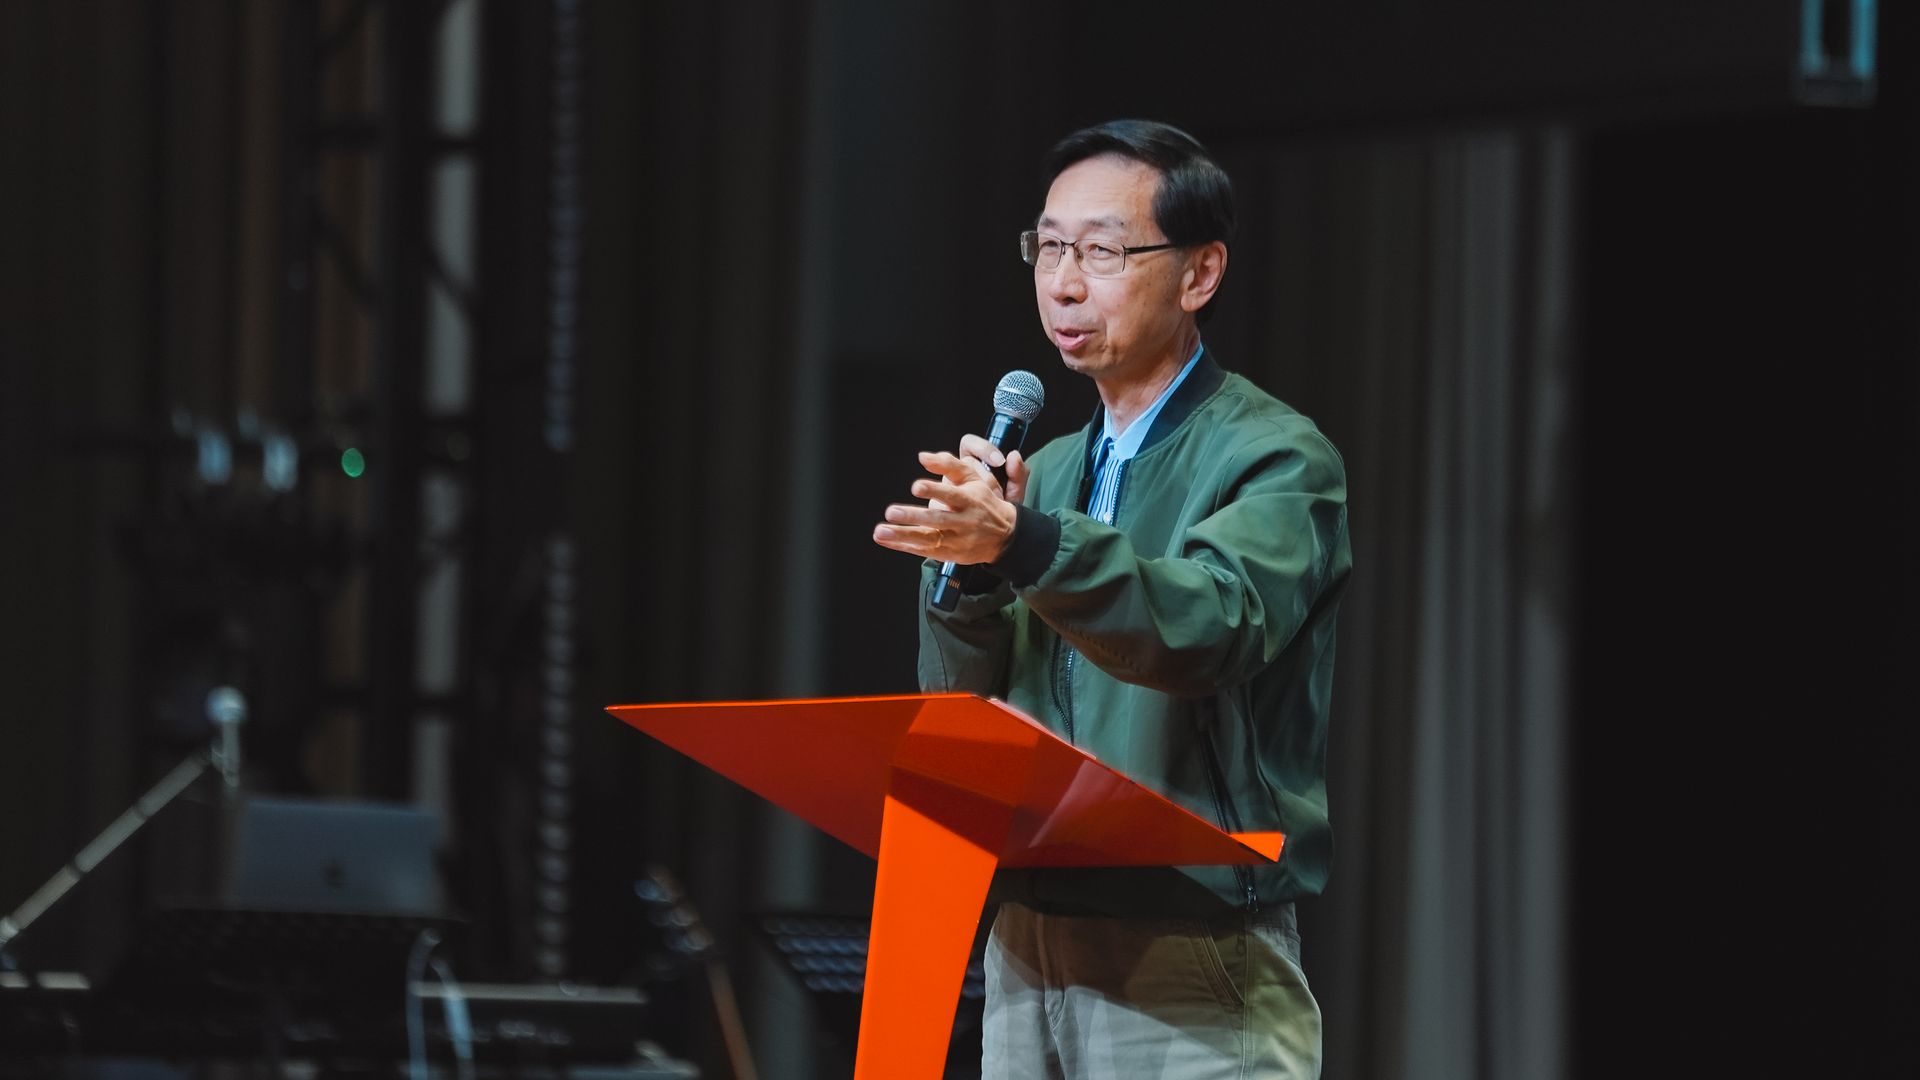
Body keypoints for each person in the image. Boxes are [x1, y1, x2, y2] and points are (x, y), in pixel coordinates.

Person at [871, 119, 1350, 1079]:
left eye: (1101, 251)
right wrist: (971, 579)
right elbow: (966, 709)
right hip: (1027, 939)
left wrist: (1027, 545)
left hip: (1190, 942)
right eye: (1048, 248)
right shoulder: (1045, 470)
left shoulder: (1276, 456)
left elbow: (1210, 628)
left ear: (1199, 273)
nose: (1063, 283)